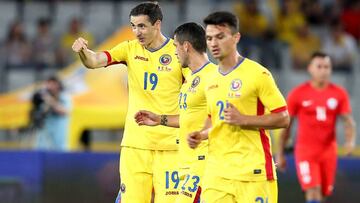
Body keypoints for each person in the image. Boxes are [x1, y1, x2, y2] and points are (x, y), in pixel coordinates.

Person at [72, 2, 187, 203]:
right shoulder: (129, 49)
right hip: (136, 145)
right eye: (133, 26)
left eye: (142, 26)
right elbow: (94, 60)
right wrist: (83, 51)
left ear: (157, 24)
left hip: (170, 146)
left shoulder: (177, 53)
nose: (136, 32)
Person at [187, 11, 289, 203]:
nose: (213, 44)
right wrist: (201, 134)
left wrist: (244, 119)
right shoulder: (210, 80)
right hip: (217, 173)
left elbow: (283, 117)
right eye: (209, 38)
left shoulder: (258, 74)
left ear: (236, 37)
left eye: (220, 37)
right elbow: (214, 118)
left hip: (252, 173)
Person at [134, 22, 216, 203]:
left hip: (204, 163)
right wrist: (159, 119)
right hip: (187, 163)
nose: (175, 53)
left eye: (176, 47)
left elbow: (225, 120)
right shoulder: (191, 79)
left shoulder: (214, 77)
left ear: (186, 46)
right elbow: (189, 117)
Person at [277, 52, 356, 203]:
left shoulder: (339, 94)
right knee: (313, 190)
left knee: (323, 193)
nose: (323, 71)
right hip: (305, 152)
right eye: (319, 66)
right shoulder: (298, 94)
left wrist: (350, 142)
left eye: (327, 67)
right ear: (310, 69)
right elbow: (286, 125)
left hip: (328, 152)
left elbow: (348, 122)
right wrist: (280, 153)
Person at [33, 76, 71, 151]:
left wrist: (50, 100)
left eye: (53, 85)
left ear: (58, 86)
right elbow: (39, 113)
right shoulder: (42, 99)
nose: (50, 87)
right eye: (48, 85)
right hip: (44, 140)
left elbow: (64, 111)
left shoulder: (64, 98)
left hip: (59, 141)